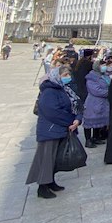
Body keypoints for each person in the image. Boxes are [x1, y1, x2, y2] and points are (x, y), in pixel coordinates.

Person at [26, 65, 82, 198]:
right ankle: (42, 187)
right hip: (50, 129)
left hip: (60, 128)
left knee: (54, 157)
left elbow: (77, 105)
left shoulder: (64, 89)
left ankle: (50, 181)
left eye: (68, 75)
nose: (67, 78)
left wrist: (77, 119)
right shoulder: (49, 91)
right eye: (64, 76)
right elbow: (52, 112)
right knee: (46, 158)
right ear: (57, 76)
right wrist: (70, 121)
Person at [83, 57, 112, 148]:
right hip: (93, 102)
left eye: (104, 65)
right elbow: (96, 90)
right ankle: (88, 140)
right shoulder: (91, 77)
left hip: (103, 102)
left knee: (99, 120)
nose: (104, 67)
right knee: (89, 121)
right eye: (102, 65)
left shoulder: (105, 75)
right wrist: (110, 92)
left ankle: (96, 137)